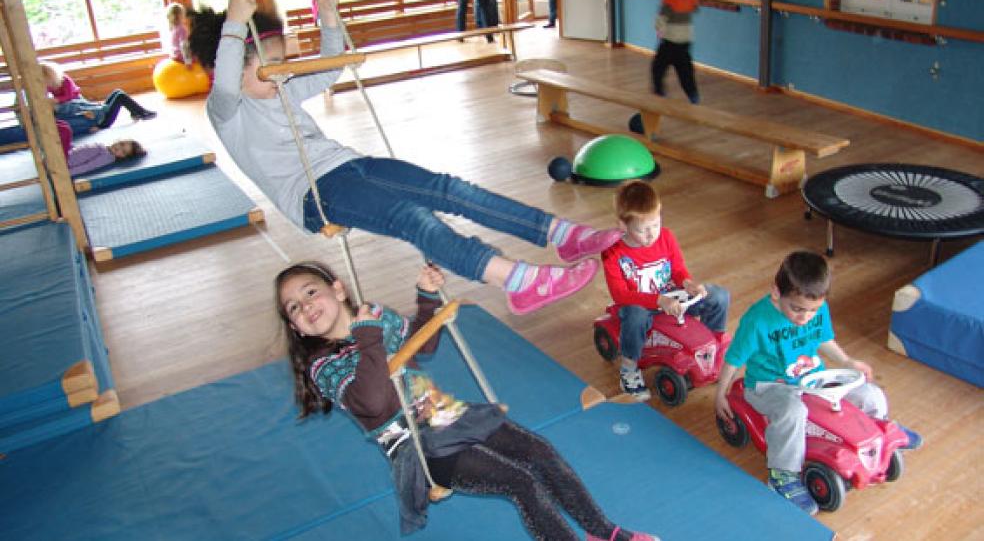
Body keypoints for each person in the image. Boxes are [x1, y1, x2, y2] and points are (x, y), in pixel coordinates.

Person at [188, 0, 622, 316]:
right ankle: (516, 279)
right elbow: (227, 81)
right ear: (226, 66)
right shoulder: (227, 109)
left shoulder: (280, 87)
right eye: (267, 69)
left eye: (283, 65)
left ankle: (560, 235)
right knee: (413, 219)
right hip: (312, 194)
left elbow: (331, 65)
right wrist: (233, 23)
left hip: (348, 165)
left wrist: (332, 16)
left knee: (448, 189)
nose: (280, 76)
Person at [276, 260, 659, 541]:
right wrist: (368, 337)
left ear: (338, 288)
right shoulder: (324, 366)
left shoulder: (374, 316)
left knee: (539, 452)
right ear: (295, 326)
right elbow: (374, 401)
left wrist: (426, 298)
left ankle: (606, 534)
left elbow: (421, 344)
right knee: (521, 482)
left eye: (310, 291)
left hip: (446, 416)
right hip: (419, 449)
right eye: (294, 307)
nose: (306, 305)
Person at [714, 251, 923, 515]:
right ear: (777, 293)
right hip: (770, 386)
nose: (805, 317)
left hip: (814, 379)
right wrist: (720, 394)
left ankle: (877, 434)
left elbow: (823, 339)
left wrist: (847, 362)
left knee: (870, 394)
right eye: (797, 309)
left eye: (812, 311)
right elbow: (734, 359)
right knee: (794, 410)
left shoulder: (818, 309)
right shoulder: (757, 320)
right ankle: (782, 475)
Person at [601, 180, 729, 401]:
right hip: (641, 305)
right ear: (623, 225)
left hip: (672, 296)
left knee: (719, 295)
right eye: (643, 230)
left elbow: (677, 269)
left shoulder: (666, 237)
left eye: (656, 224)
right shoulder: (612, 252)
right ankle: (629, 367)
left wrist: (688, 283)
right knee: (636, 316)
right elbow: (620, 295)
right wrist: (658, 301)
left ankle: (711, 347)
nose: (652, 234)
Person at [39, 60, 158, 134]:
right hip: (100, 121)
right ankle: (141, 113)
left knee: (117, 92)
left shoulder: (64, 81)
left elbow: (70, 96)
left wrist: (56, 100)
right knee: (120, 96)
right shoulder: (51, 90)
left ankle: (137, 112)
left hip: (83, 106)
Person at [651, 0, 699, 104]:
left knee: (657, 67)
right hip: (685, 41)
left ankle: (659, 91)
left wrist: (659, 29)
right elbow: (695, 8)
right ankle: (693, 94)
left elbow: (661, 19)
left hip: (671, 41)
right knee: (685, 71)